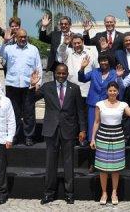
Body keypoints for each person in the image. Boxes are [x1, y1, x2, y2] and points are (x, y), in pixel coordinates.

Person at [29, 64, 87, 205]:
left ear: (67, 73)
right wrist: (32, 86)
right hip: (51, 129)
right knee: (50, 163)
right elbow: (32, 98)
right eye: (58, 73)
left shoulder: (75, 88)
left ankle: (69, 193)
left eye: (63, 73)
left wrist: (83, 129)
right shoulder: (47, 86)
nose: (61, 76)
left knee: (68, 163)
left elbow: (80, 110)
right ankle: (49, 194)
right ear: (55, 73)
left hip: (69, 129)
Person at [90, 82, 130, 205]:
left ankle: (114, 192)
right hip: (102, 137)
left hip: (118, 137)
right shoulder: (99, 104)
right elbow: (96, 122)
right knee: (102, 168)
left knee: (115, 168)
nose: (112, 92)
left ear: (118, 92)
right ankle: (104, 193)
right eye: (110, 90)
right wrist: (92, 139)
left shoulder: (123, 104)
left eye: (114, 91)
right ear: (107, 91)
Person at [0, 28, 42, 146]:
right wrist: (5, 41)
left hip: (29, 85)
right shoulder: (9, 48)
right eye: (20, 37)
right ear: (16, 37)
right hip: (12, 84)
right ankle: (14, 135)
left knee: (29, 112)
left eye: (24, 36)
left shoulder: (33, 49)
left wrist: (38, 83)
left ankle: (28, 137)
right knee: (13, 112)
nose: (22, 39)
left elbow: (38, 66)